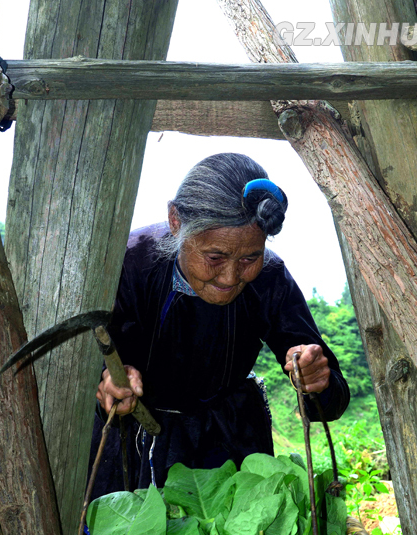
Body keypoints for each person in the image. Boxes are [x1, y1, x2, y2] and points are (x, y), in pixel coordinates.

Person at [91, 152, 350, 495]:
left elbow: (332, 400)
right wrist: (113, 381)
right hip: (134, 440)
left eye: (249, 258)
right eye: (215, 257)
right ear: (175, 221)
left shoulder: (269, 278)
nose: (230, 277)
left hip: (228, 438)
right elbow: (90, 369)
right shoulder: (131, 263)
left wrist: (317, 380)